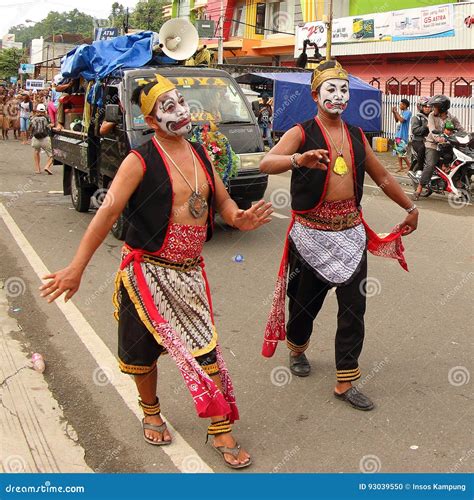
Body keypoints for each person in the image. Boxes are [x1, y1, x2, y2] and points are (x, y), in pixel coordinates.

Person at [39, 74, 273, 469]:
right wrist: (76, 268)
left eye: (180, 102)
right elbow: (107, 214)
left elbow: (223, 201)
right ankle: (150, 409)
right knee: (141, 351)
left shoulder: (200, 153)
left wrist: (239, 218)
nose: (180, 111)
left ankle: (220, 428)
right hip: (146, 272)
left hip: (190, 274)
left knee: (206, 350)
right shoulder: (138, 160)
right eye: (167, 107)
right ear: (150, 120)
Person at [260, 60, 418, 411]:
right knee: (303, 308)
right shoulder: (301, 132)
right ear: (315, 95)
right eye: (330, 89)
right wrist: (298, 160)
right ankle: (297, 347)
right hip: (309, 236)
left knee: (353, 309)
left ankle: (346, 380)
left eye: (343, 89)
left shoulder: (358, 136)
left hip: (350, 234)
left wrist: (410, 208)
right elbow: (266, 163)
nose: (338, 95)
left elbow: (384, 178)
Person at [413, 95, 465, 200]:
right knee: (430, 164)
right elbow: (432, 130)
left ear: (442, 107)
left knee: (460, 161)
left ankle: (458, 182)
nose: (433, 109)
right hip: (432, 144)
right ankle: (419, 188)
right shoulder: (432, 116)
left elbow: (461, 130)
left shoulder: (452, 118)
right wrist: (438, 138)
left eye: (435, 106)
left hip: (447, 145)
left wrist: (467, 136)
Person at [30, 103, 53, 175]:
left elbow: (30, 128)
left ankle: (37, 169)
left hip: (35, 138)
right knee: (52, 155)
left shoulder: (33, 118)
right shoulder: (47, 118)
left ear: (37, 111)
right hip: (45, 138)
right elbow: (49, 125)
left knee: (36, 151)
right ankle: (47, 166)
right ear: (44, 111)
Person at [410, 97, 431, 172]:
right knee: (422, 148)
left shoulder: (433, 117)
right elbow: (415, 130)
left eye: (429, 107)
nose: (427, 109)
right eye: (425, 107)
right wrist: (425, 127)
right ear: (421, 107)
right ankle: (420, 169)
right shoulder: (416, 118)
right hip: (418, 141)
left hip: (431, 140)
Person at [392, 98, 412, 172]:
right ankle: (400, 167)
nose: (400, 106)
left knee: (402, 152)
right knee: (398, 152)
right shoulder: (403, 112)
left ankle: (409, 165)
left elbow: (402, 120)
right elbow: (397, 120)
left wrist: (396, 112)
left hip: (403, 135)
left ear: (405, 105)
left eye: (401, 104)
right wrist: (394, 113)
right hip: (398, 135)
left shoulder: (408, 112)